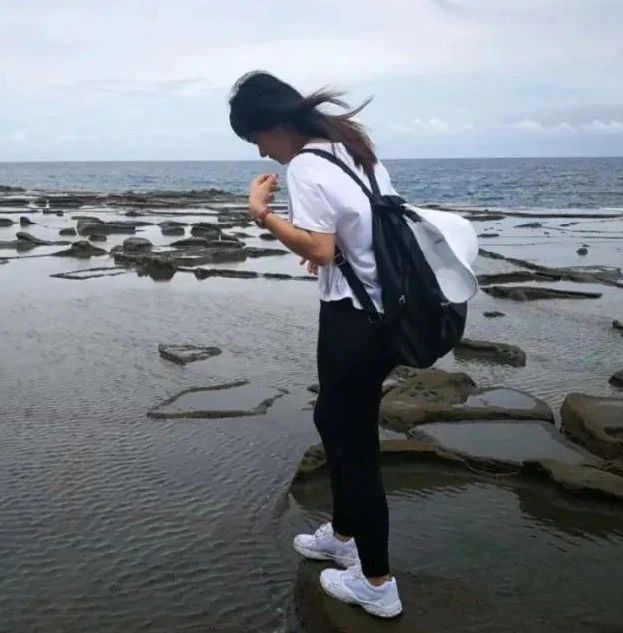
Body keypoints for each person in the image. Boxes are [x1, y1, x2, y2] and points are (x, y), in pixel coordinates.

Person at [229, 71, 403, 619]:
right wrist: (329, 252)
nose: (261, 150)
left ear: (277, 125)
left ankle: (377, 582)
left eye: (257, 137)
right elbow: (367, 225)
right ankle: (344, 535)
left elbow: (322, 249)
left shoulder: (305, 165)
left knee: (353, 445)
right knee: (335, 421)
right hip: (383, 310)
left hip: (355, 318)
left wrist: (262, 213)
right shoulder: (350, 148)